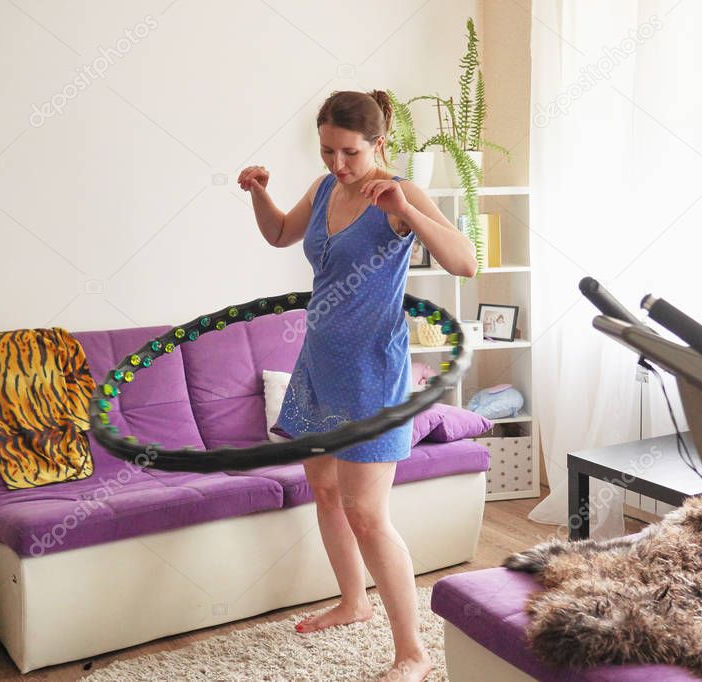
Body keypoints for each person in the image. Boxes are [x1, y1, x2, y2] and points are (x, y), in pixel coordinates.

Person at [238, 90, 477, 682]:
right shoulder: (324, 189)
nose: (338, 164)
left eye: (349, 152)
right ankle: (353, 600)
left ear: (378, 143)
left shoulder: (394, 193)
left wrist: (407, 208)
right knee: (324, 490)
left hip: (373, 371)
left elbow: (464, 262)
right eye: (327, 151)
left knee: (367, 513)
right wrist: (258, 193)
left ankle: (414, 653)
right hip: (318, 364)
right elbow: (279, 235)